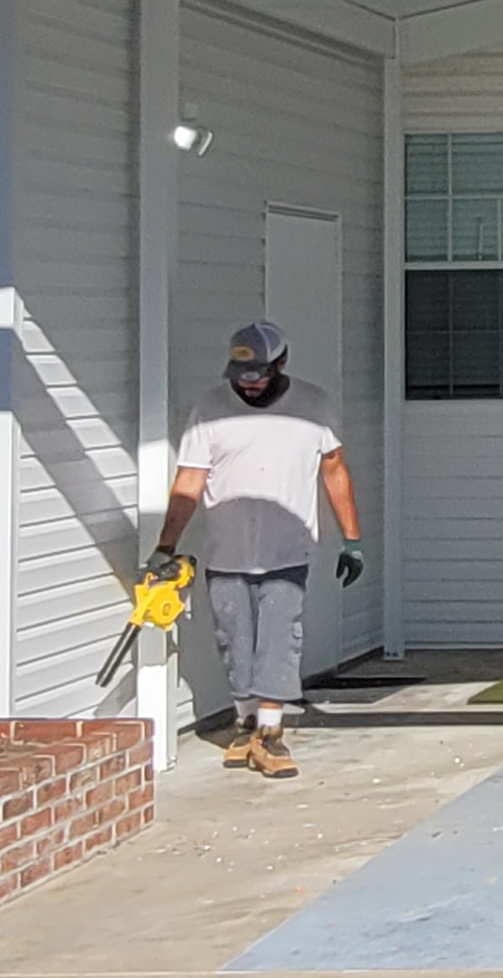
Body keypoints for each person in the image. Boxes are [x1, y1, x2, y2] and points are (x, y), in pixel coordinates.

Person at [149, 320, 362, 779]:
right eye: (242, 377)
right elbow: (190, 479)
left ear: (281, 363)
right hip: (226, 550)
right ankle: (245, 724)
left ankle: (270, 733)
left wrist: (352, 539)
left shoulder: (314, 406)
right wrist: (165, 545)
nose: (249, 386)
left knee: (280, 639)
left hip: (288, 550)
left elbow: (334, 470)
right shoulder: (210, 408)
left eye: (259, 376)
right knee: (234, 640)